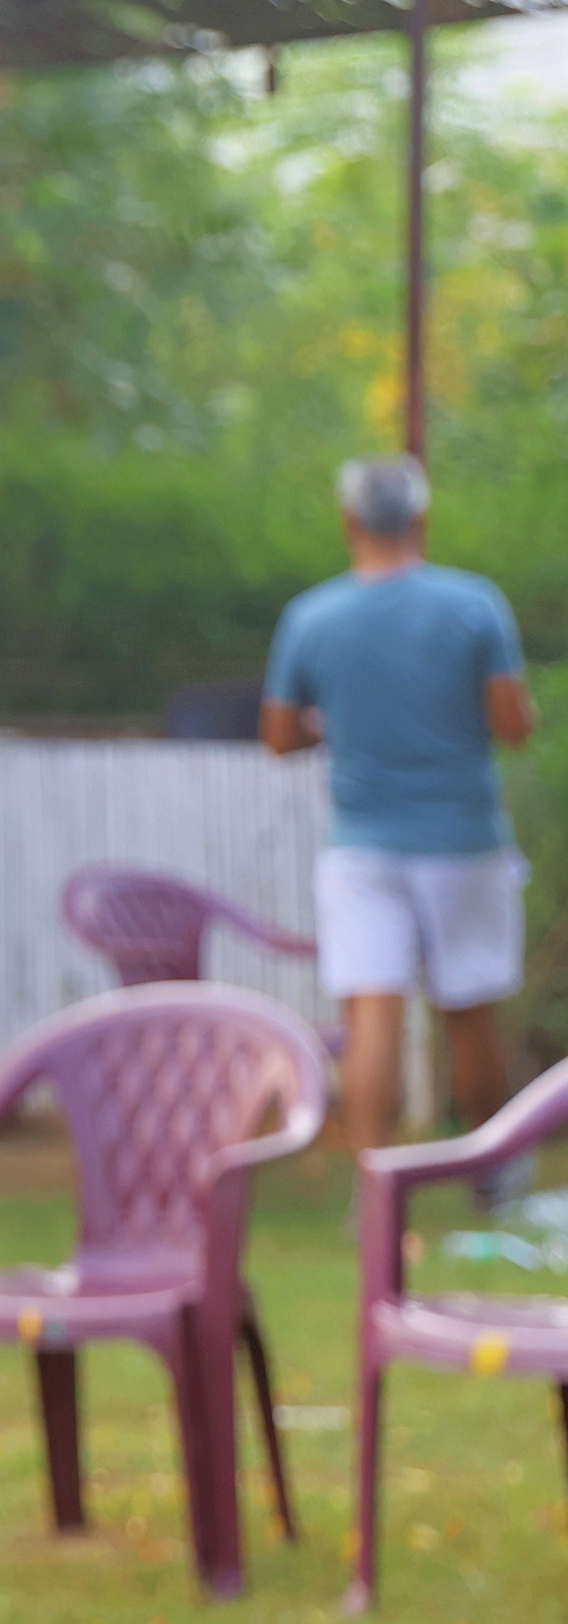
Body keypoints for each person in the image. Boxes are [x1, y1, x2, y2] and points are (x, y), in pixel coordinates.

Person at [264, 453, 536, 1169]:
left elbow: (279, 737)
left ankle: (375, 1187)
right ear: (422, 519)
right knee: (470, 1012)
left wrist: (334, 724)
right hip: (464, 841)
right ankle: (494, 1178)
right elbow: (513, 725)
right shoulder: (475, 605)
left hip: (360, 847)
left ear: (348, 520)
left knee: (374, 1011)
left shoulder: (311, 617)